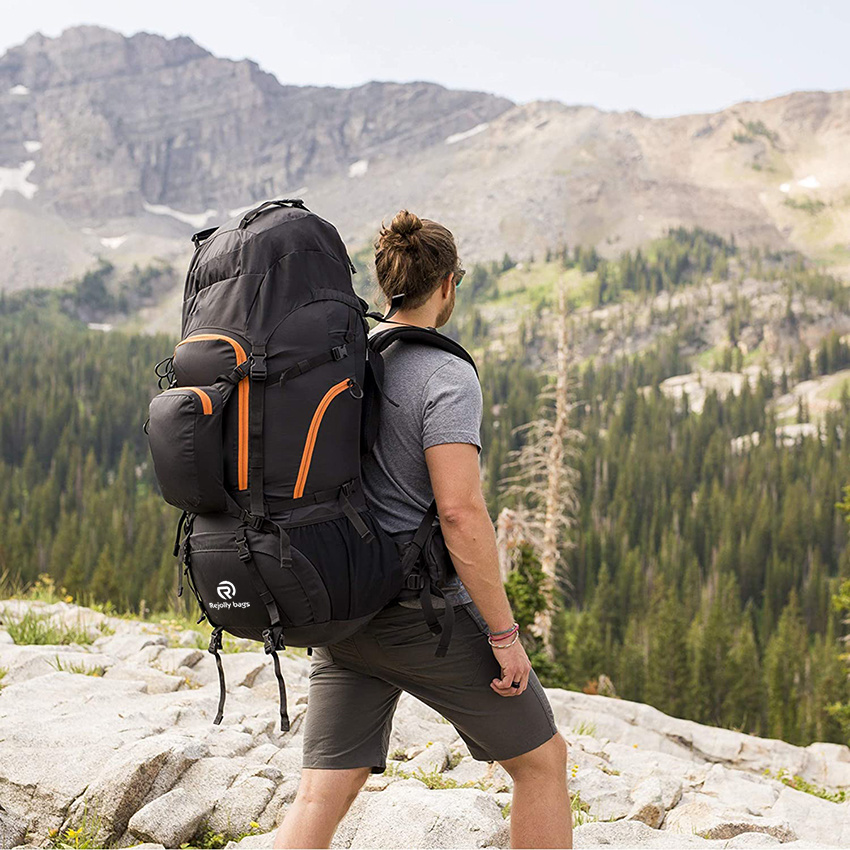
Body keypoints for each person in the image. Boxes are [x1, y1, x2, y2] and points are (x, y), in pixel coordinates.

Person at [274, 210, 572, 850]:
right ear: (447, 286)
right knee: (543, 763)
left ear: (389, 283)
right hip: (420, 618)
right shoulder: (445, 374)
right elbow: (461, 513)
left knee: (323, 790)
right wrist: (504, 633)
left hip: (342, 607)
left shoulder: (346, 358)